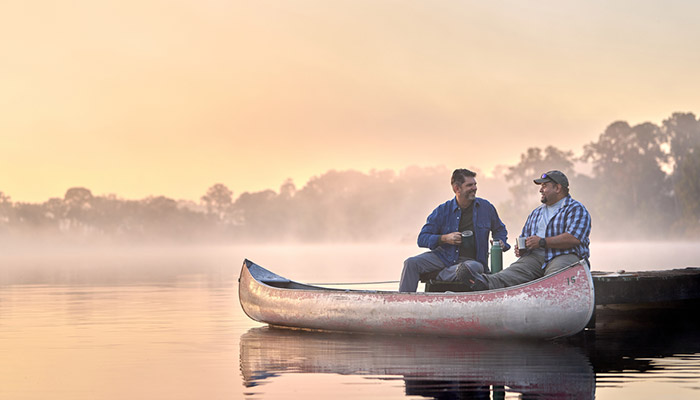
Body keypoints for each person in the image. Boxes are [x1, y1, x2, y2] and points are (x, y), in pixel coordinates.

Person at [456, 170, 591, 291]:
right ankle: (482, 282)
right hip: (535, 257)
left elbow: (574, 238)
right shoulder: (536, 213)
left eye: (545, 186)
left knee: (554, 279)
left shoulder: (575, 209)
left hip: (564, 255)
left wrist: (542, 242)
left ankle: (546, 299)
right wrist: (522, 248)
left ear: (557, 188)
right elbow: (524, 238)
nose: (541, 190)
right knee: (511, 273)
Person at [398, 168, 510, 292]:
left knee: (468, 269)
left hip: (473, 262)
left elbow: (500, 229)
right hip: (443, 257)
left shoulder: (486, 208)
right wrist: (445, 238)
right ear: (457, 188)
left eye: (475, 184)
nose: (474, 188)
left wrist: (501, 241)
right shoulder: (442, 211)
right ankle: (402, 303)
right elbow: (422, 239)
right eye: (469, 185)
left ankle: (436, 274)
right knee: (411, 263)